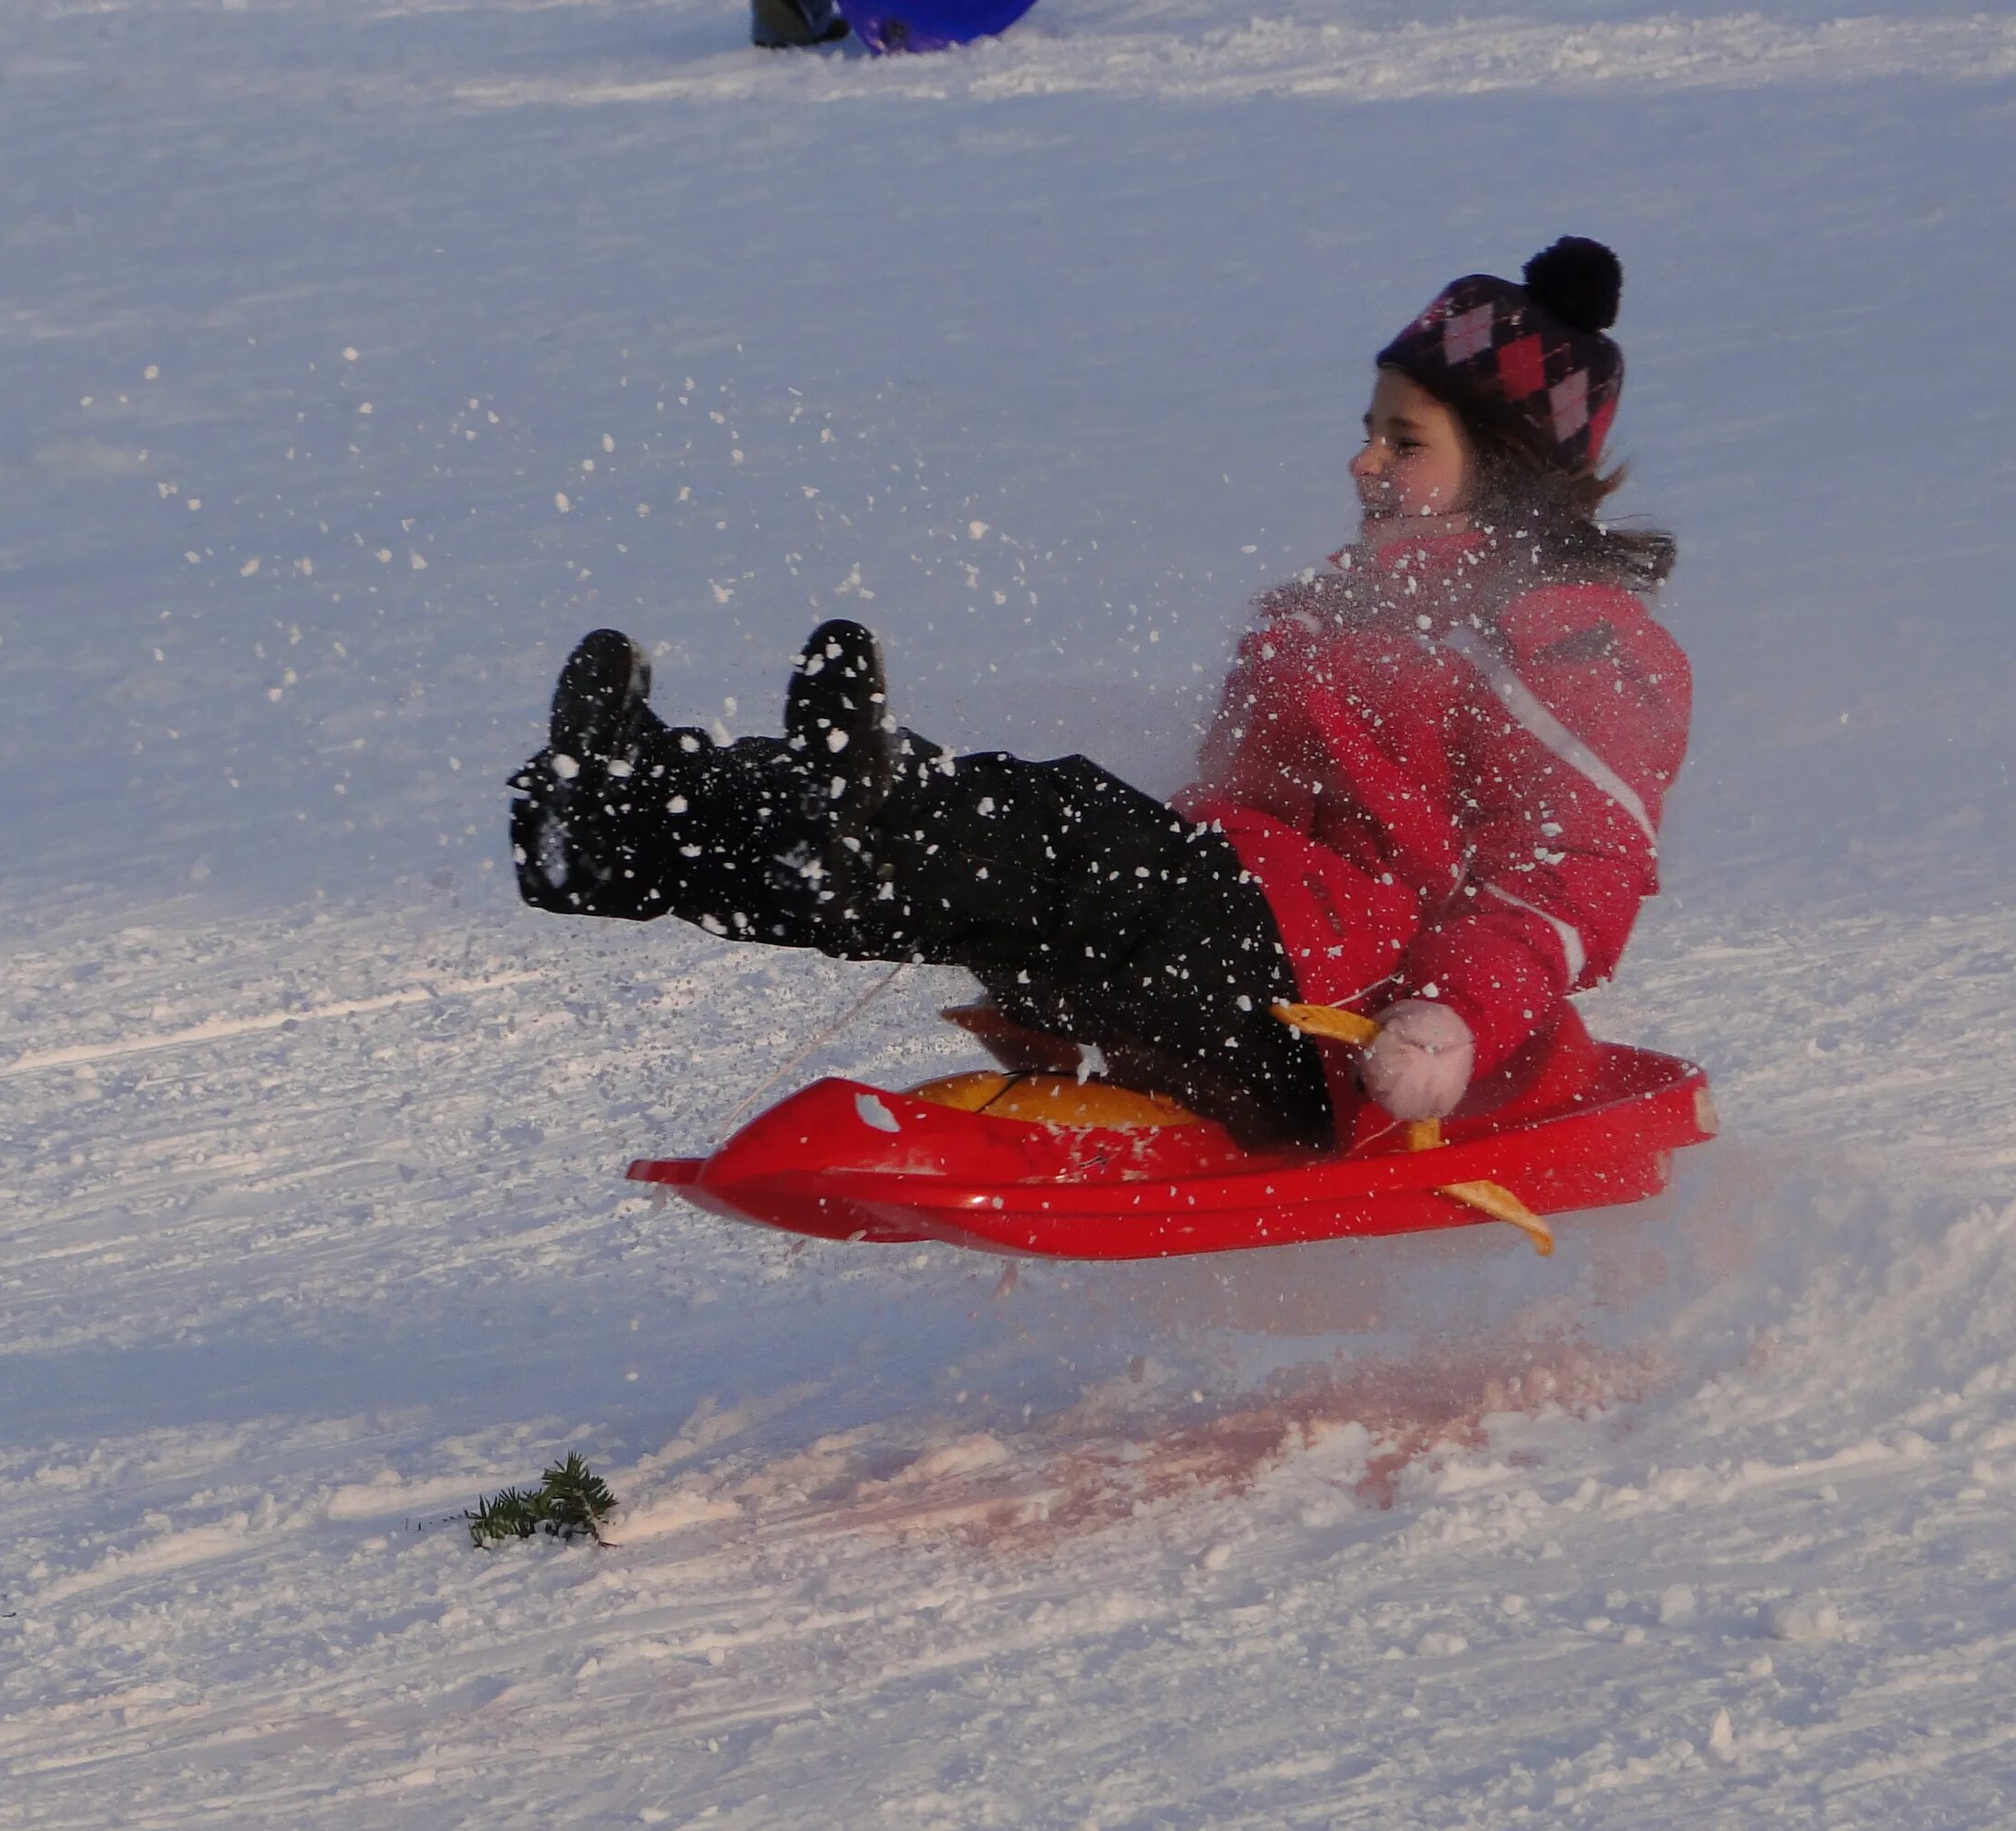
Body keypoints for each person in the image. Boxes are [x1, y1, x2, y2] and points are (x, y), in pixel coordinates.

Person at [509, 234, 1687, 1157]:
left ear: (1510, 470)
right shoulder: (1322, 613)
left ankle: (850, 820)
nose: (1363, 462)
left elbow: (1577, 871)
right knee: (988, 854)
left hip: (1338, 1016)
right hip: (1236, 936)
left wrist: (1450, 1022)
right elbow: (1237, 800)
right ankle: (636, 822)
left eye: (1403, 439)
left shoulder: (1567, 640)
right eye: (1368, 432)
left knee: (1062, 828)